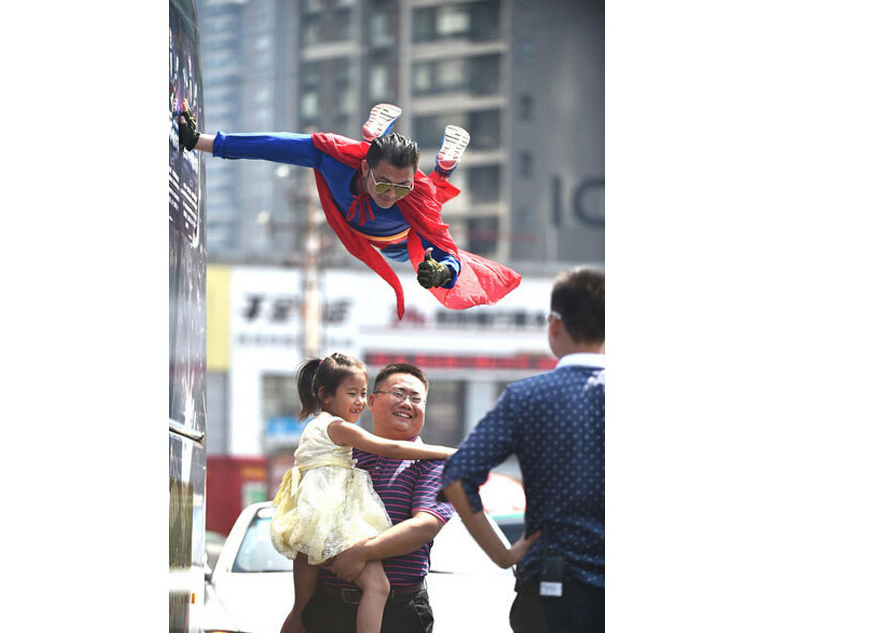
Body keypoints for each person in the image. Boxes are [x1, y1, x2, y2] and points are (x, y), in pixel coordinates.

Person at [176, 101, 521, 318]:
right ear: (365, 169)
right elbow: (272, 145)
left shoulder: (415, 196)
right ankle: (380, 141)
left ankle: (443, 165)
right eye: (384, 184)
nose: (391, 195)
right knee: (421, 188)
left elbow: (444, 247)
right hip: (363, 216)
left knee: (433, 196)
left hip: (402, 243)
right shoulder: (335, 157)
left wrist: (445, 272)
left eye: (402, 186)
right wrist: (202, 142)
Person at [439, 266, 606, 633]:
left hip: (552, 588)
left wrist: (503, 555)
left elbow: (456, 476)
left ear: (555, 324)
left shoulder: (527, 397)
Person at [271, 353, 456, 633]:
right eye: (398, 393)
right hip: (327, 611)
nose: (407, 403)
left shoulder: (433, 464)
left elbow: (425, 526)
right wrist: (301, 610)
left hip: (398, 613)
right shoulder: (344, 454)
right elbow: (307, 535)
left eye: (416, 398)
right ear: (372, 402)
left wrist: (360, 554)